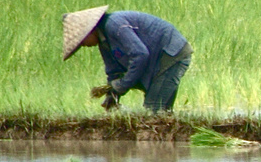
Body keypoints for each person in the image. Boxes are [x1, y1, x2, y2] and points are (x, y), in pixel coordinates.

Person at [62, 6, 192, 112]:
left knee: (153, 109)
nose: (84, 46)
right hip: (159, 58)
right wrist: (112, 94)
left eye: (82, 42)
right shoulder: (104, 41)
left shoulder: (114, 25)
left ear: (89, 31)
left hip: (171, 54)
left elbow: (140, 55)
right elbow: (113, 71)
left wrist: (122, 85)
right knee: (161, 111)